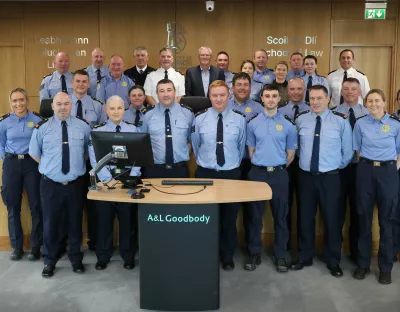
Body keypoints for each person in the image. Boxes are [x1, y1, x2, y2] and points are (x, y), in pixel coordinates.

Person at [291, 85, 353, 278]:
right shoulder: (300, 120)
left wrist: (333, 167)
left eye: (319, 98)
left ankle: (333, 260)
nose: (315, 102)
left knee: (332, 219)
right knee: (305, 217)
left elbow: (348, 151)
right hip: (306, 177)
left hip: (331, 177)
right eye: (312, 98)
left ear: (328, 100)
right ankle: (304, 256)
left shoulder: (340, 122)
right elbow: (297, 148)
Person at [29, 92, 91, 278]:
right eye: (59, 104)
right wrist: (50, 168)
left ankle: (75, 258)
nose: (62, 107)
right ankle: (49, 261)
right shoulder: (42, 127)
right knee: (50, 223)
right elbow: (34, 153)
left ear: (71, 105)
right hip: (50, 184)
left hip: (75, 184)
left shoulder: (83, 127)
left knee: (74, 222)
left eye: (66, 103)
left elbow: (88, 153)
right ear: (52, 106)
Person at [191, 80, 246, 271]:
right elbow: (196, 146)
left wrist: (229, 166)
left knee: (229, 219)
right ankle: (207, 254)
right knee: (206, 218)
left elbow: (241, 147)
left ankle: (227, 256)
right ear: (209, 97)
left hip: (230, 174)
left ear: (228, 96)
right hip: (206, 173)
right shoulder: (199, 119)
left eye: (222, 95)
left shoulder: (240, 119)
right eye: (214, 95)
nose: (219, 99)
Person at [245, 84, 297, 273]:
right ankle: (254, 253)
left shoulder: (288, 125)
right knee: (255, 217)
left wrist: (276, 166)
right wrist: (263, 165)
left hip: (279, 174)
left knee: (281, 217)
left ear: (279, 99)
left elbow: (290, 155)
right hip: (257, 174)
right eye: (267, 96)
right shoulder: (252, 123)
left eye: (274, 96)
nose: (271, 99)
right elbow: (251, 151)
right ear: (262, 99)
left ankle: (280, 255)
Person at [352, 89, 400, 285]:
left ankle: (385, 267)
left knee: (387, 220)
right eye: (370, 101)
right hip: (365, 171)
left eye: (377, 101)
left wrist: (389, 169)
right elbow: (357, 150)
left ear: (384, 102)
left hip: (388, 173)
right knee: (363, 218)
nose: (373, 104)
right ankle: (363, 264)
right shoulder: (360, 124)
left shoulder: (396, 125)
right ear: (365, 103)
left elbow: (399, 153)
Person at [89, 95, 139, 271]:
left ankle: (128, 256)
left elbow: (139, 156)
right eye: (112, 108)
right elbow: (94, 157)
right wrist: (108, 179)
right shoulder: (98, 131)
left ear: (124, 108)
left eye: (119, 108)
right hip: (106, 184)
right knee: (104, 222)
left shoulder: (133, 130)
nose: (116, 111)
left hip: (127, 183)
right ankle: (103, 256)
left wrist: (131, 177)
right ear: (106, 109)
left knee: (128, 222)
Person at [0, 88, 43, 261]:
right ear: (11, 103)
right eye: (15, 101)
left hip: (32, 164)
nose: (18, 104)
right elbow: (1, 143)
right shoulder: (4, 122)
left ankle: (35, 247)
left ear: (27, 101)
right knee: (12, 207)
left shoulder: (37, 120)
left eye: (21, 100)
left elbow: (41, 143)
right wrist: (8, 160)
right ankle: (16, 247)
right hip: (11, 165)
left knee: (36, 207)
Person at [334, 78, 369, 262]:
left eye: (353, 89)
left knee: (358, 210)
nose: (349, 92)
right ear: (341, 91)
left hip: (361, 169)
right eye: (345, 89)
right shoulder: (333, 113)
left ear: (360, 92)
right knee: (336, 211)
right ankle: (335, 253)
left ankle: (357, 253)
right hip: (339, 169)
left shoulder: (368, 113)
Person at [278, 78, 310, 248]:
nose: (296, 92)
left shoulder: (313, 111)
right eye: (292, 89)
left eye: (299, 89)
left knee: (305, 208)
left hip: (306, 166)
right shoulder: (280, 112)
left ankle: (303, 248)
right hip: (286, 165)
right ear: (287, 91)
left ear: (305, 89)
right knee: (285, 206)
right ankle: (287, 246)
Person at [141, 79, 194, 178]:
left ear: (175, 92)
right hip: (154, 170)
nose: (166, 94)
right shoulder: (147, 115)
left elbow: (192, 140)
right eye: (161, 91)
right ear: (156, 94)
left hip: (180, 169)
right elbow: (141, 142)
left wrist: (183, 153)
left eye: (169, 90)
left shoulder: (187, 113)